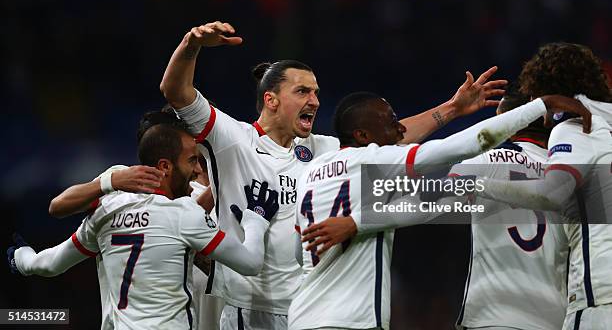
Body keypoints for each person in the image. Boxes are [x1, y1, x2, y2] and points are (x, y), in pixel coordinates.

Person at [160, 20, 508, 329]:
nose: (314, 101)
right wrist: (191, 45)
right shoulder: (233, 140)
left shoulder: (323, 150)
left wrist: (452, 109)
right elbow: (175, 92)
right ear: (271, 100)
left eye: (316, 93)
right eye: (302, 92)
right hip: (248, 307)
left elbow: (389, 138)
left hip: (305, 304)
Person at [289, 91, 589, 330]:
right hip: (556, 314)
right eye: (392, 120)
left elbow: (427, 203)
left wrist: (357, 222)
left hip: (304, 314)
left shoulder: (309, 172)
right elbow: (460, 145)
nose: (402, 127)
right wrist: (541, 105)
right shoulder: (573, 177)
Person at [8, 122, 278, 330]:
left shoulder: (107, 210)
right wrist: (257, 219)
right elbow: (251, 263)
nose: (197, 169)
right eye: (192, 160)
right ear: (165, 166)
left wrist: (21, 258)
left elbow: (50, 263)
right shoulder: (184, 213)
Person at [467, 43, 612, 330]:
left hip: (600, 295)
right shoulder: (606, 127)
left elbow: (552, 193)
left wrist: (475, 184)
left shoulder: (575, 129)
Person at [450, 84, 568, 330]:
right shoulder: (570, 176)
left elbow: (441, 198)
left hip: (494, 315)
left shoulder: (486, 160)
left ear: (511, 124)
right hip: (556, 318)